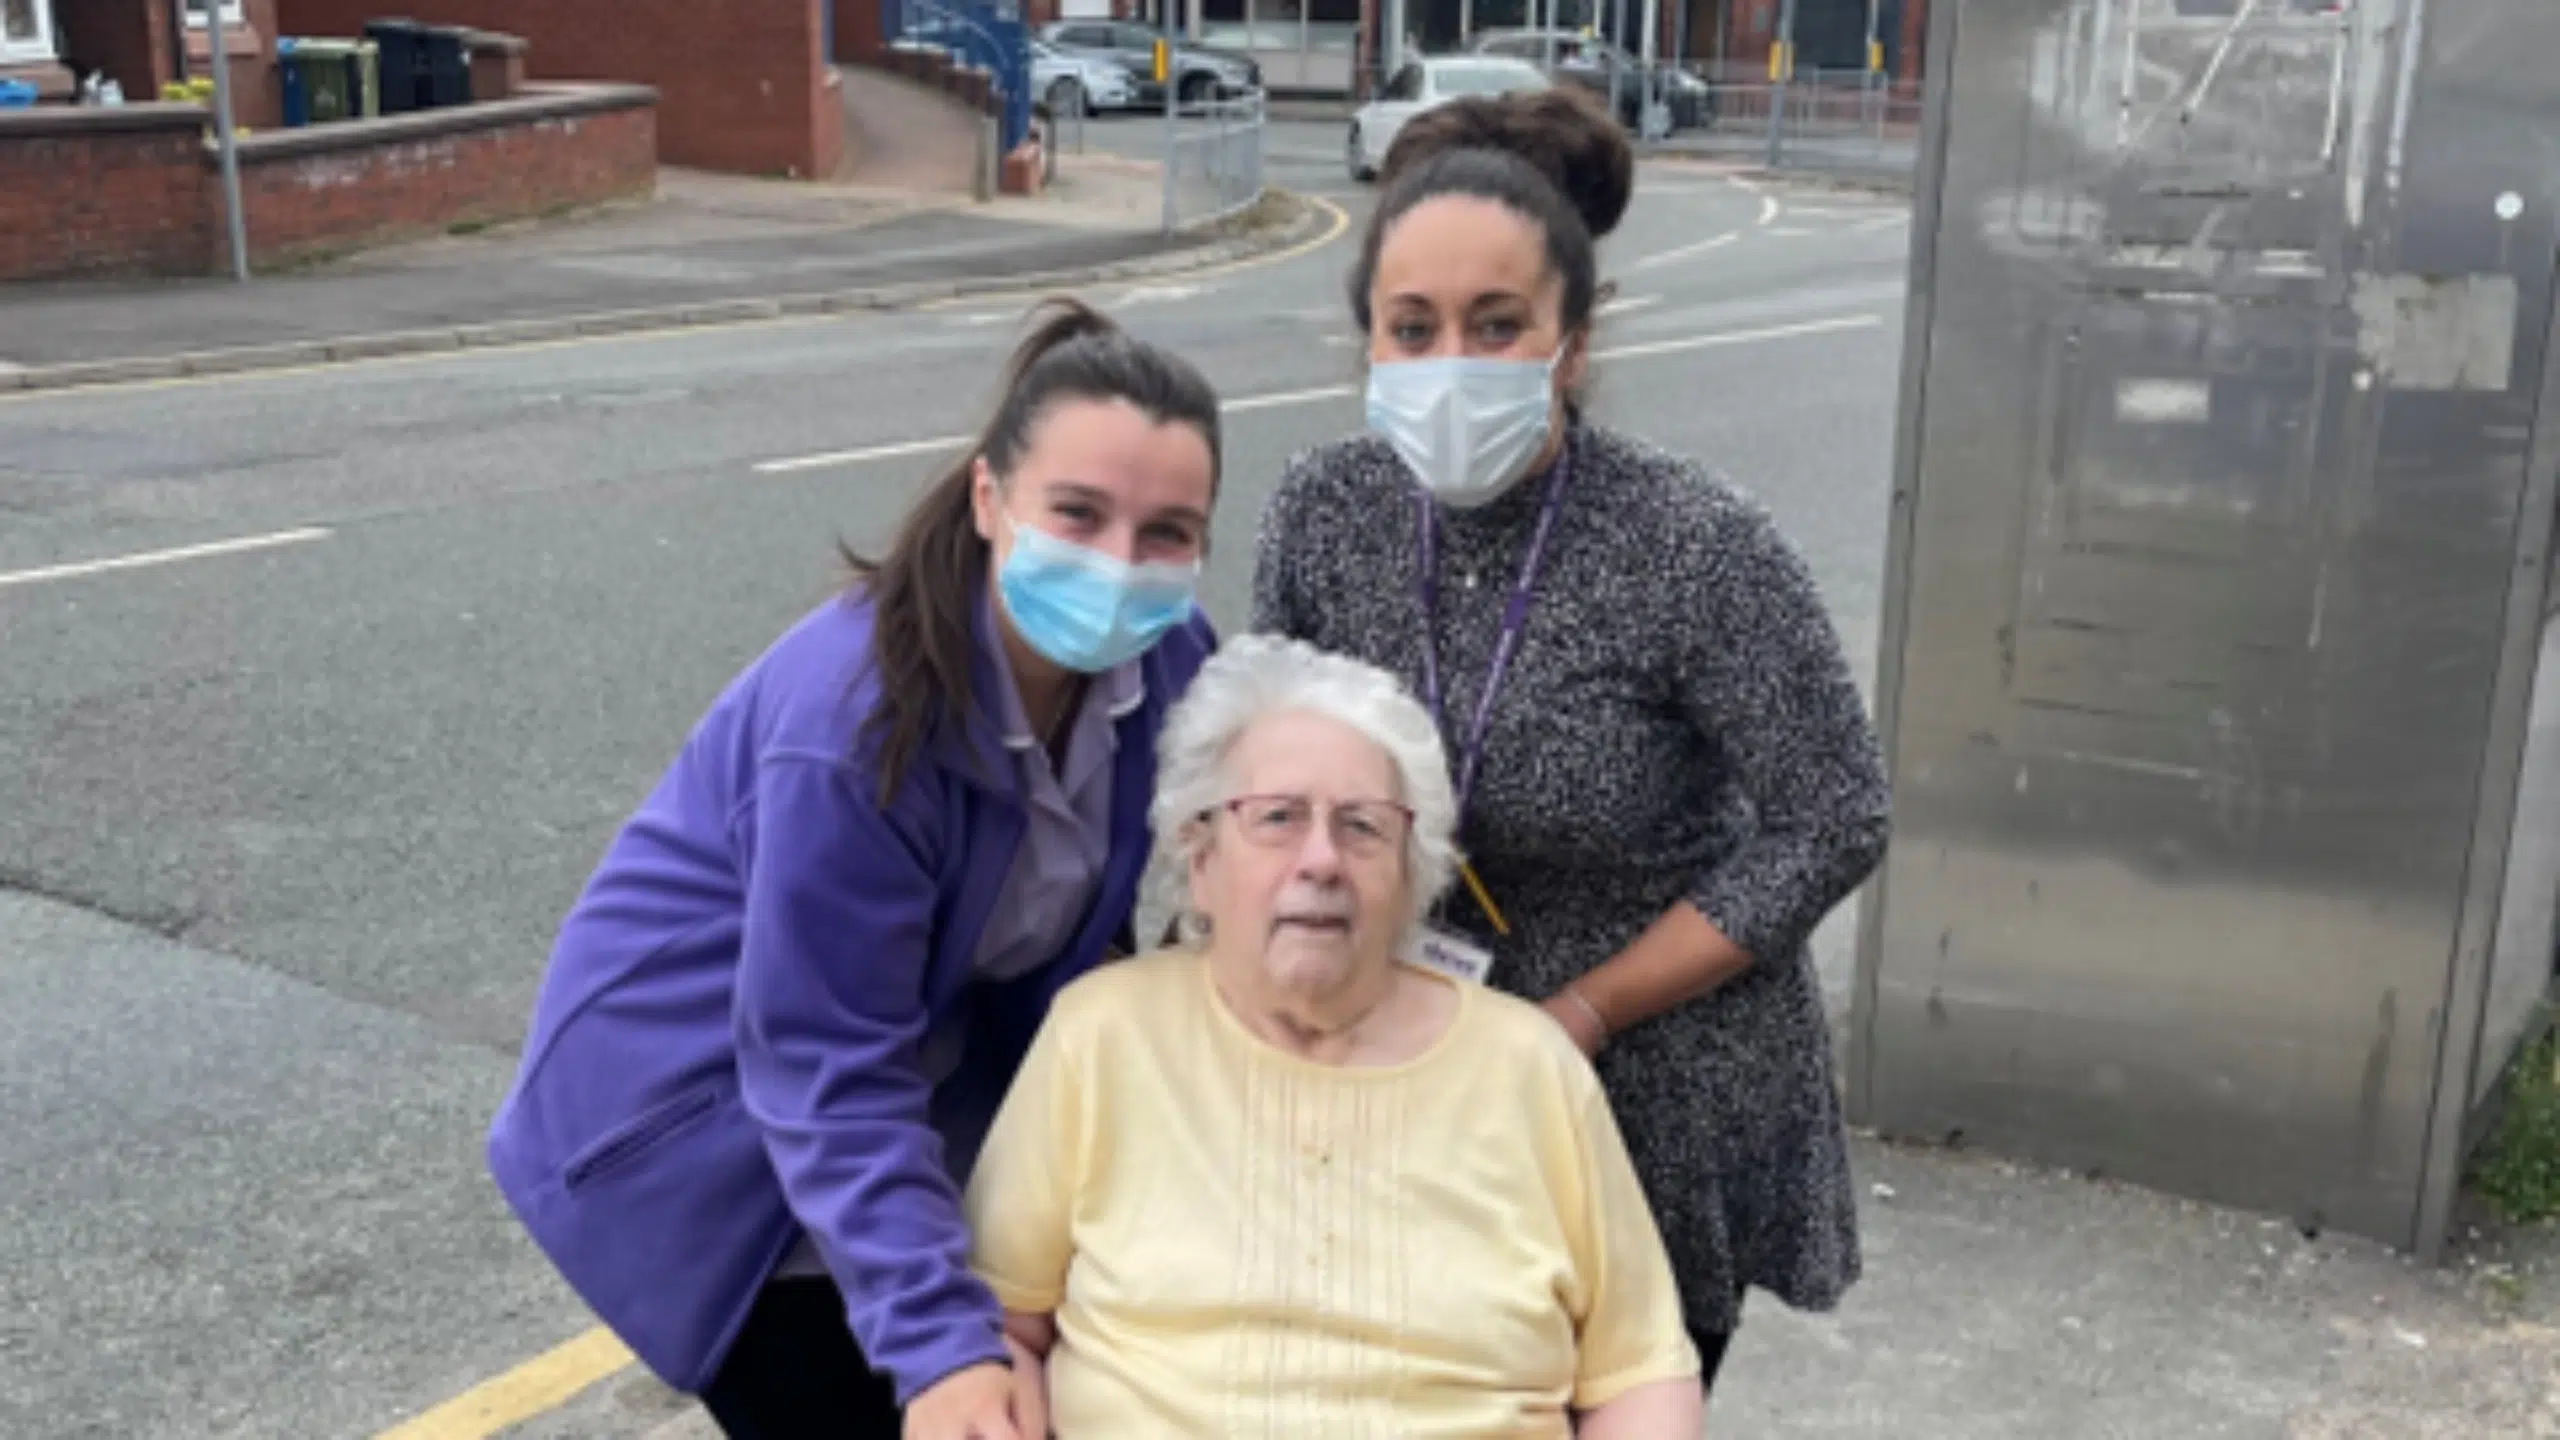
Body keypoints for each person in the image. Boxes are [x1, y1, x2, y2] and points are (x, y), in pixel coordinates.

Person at [483, 299, 1224, 1440]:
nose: (1120, 564)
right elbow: (824, 1056)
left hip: (919, 1089)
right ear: (989, 499)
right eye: (1077, 513)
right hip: (717, 1125)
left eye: (1167, 532)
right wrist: (938, 1348)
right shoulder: (854, 723)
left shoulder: (1173, 661)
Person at [1249, 88, 1893, 1389]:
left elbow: (1836, 813)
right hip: (1398, 1072)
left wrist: (1586, 1012)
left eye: (1499, 329)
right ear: (1367, 339)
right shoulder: (1323, 512)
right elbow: (1263, 778)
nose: (1451, 364)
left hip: (1645, 1086)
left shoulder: (1692, 543)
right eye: (1413, 328)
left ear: (1574, 345)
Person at [961, 634, 1706, 1438]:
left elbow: (1640, 1375)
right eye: (1277, 818)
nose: (1321, 859)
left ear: (1410, 878)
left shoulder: (1529, 1066)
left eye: (1362, 827)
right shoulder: (1101, 1034)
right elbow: (1001, 1325)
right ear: (1201, 859)